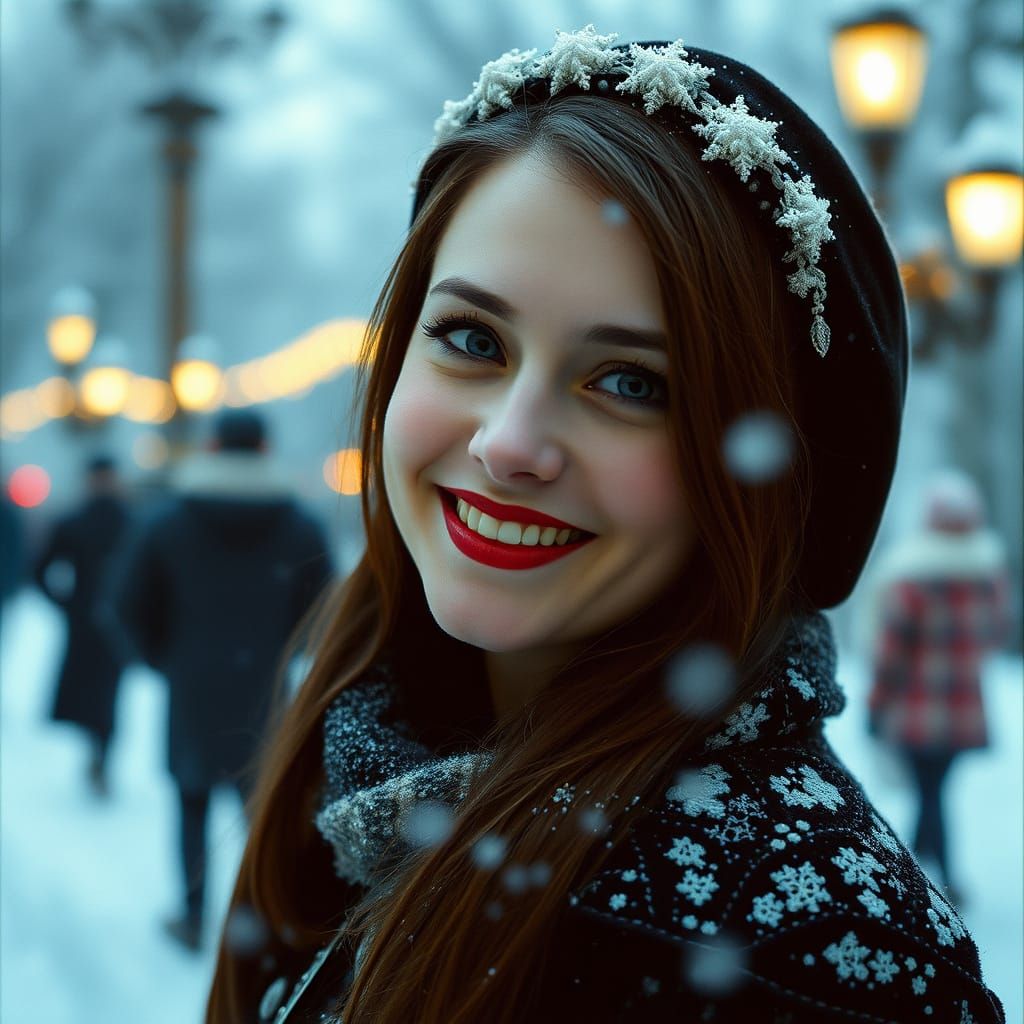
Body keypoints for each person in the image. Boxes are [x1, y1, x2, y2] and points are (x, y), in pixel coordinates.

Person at [208, 27, 1006, 1023]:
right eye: (471, 338)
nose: (510, 443)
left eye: (628, 382)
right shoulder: (366, 773)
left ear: (764, 469)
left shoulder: (808, 956)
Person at [110, 410, 333, 952]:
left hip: (192, 690)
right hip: (265, 690)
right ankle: (266, 916)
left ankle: (191, 917)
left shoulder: (168, 521)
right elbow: (326, 612)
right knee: (264, 811)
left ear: (211, 447)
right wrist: (285, 651)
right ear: (264, 449)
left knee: (191, 804)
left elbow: (125, 604)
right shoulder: (299, 524)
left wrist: (165, 660)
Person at [866, 470, 1010, 909]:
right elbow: (997, 635)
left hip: (915, 711)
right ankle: (923, 873)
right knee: (934, 791)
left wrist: (874, 706)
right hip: (963, 712)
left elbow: (890, 652)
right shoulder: (989, 578)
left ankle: (923, 879)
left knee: (928, 794)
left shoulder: (911, 578)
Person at [32, 454, 131, 797]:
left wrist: (67, 604)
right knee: (106, 692)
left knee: (99, 692)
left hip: (91, 621)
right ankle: (99, 751)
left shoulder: (80, 520)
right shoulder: (129, 520)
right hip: (109, 622)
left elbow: (41, 569)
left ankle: (98, 752)